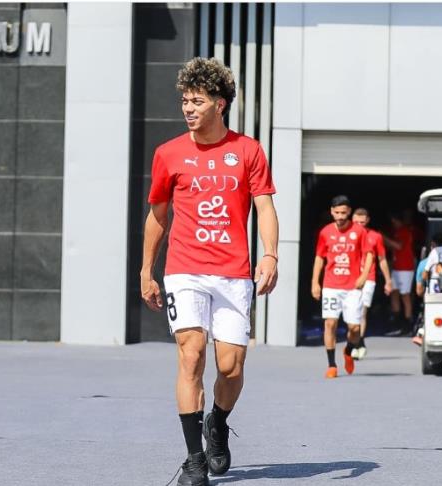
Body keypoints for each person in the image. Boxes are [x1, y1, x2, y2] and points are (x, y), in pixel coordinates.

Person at [140, 57, 279, 486]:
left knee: (232, 367)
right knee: (191, 356)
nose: (188, 108)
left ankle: (217, 422)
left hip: (234, 274)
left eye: (197, 101)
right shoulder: (169, 153)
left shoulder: (249, 150)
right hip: (185, 270)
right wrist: (147, 270)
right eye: (185, 100)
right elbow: (157, 217)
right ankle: (195, 460)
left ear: (220, 103)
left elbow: (265, 207)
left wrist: (270, 255)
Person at [311, 196, 373, 379]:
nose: (340, 216)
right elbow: (319, 258)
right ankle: (331, 365)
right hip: (331, 285)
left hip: (352, 287)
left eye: (343, 213)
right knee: (330, 323)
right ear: (331, 212)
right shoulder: (325, 232)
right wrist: (315, 282)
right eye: (336, 212)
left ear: (349, 213)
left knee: (354, 328)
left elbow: (369, 254)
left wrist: (363, 275)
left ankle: (348, 350)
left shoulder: (359, 232)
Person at [351, 208, 392, 359]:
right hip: (349, 278)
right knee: (351, 311)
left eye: (362, 222)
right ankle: (355, 341)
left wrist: (388, 281)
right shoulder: (347, 236)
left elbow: (382, 259)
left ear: (367, 220)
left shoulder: (375, 236)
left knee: (362, 311)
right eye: (356, 222)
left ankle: (359, 343)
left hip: (369, 278)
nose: (359, 225)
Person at [412, 233, 442, 346]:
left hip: (434, 298)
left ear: (432, 246)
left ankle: (422, 331)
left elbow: (419, 291)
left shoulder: (424, 263)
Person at [384, 212, 416, 335]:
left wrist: (383, 237)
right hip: (396, 267)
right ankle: (396, 323)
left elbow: (398, 246)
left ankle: (408, 325)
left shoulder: (404, 231)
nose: (393, 224)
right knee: (394, 293)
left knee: (405, 295)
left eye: (394, 221)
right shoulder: (396, 231)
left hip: (405, 268)